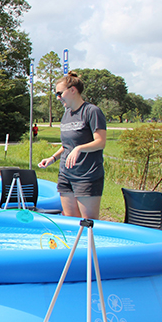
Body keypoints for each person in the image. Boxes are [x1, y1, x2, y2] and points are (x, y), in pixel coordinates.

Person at [38, 71, 106, 219]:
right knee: (70, 220)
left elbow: (100, 142)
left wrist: (80, 148)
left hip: (87, 175)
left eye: (59, 93)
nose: (58, 97)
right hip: (66, 174)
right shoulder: (66, 114)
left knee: (88, 224)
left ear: (73, 90)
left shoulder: (92, 111)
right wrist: (53, 158)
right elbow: (67, 145)